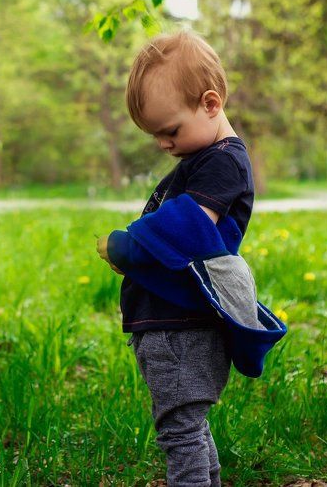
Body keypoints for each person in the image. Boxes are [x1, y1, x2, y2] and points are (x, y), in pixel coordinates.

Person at [96, 31, 271, 487]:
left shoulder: (223, 162)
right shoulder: (205, 156)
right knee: (188, 426)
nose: (163, 144)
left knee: (181, 431)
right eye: (155, 134)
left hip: (182, 326)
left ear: (210, 103)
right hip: (175, 322)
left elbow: (187, 226)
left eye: (170, 130)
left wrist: (127, 246)